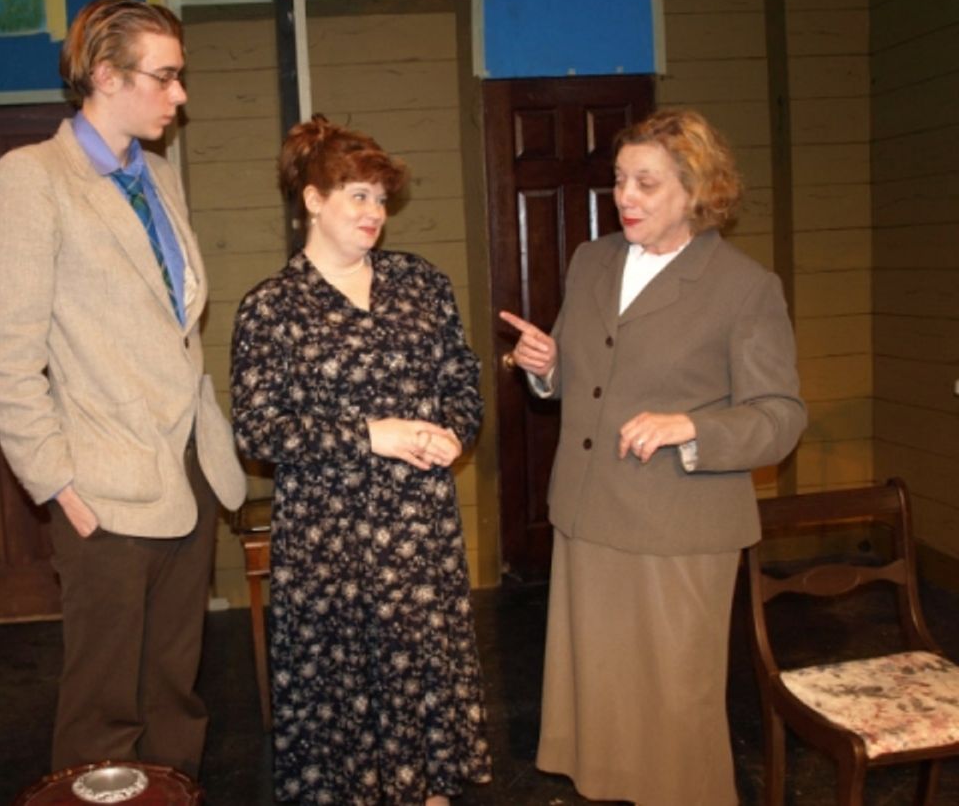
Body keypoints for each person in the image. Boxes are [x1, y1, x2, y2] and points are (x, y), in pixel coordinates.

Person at [0, 0, 245, 776]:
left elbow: (170, 324)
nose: (179, 95)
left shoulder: (159, 175)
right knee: (104, 702)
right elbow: (4, 356)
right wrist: (56, 480)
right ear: (104, 76)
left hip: (186, 466)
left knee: (173, 690)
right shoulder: (32, 179)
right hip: (101, 479)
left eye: (179, 77)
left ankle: (175, 794)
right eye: (164, 78)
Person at [500, 108, 806, 806]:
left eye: (646, 183)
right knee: (603, 700)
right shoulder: (593, 260)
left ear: (696, 191)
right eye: (619, 181)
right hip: (590, 515)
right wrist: (545, 367)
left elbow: (781, 418)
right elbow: (588, 379)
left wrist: (690, 427)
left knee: (674, 711)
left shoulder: (744, 288)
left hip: (679, 529)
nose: (625, 198)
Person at [230, 115, 492, 805]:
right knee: (343, 700)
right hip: (329, 543)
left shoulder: (421, 284)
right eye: (357, 195)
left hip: (417, 533)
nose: (374, 212)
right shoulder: (271, 308)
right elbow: (258, 429)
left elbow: (461, 381)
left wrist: (453, 433)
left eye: (380, 197)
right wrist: (368, 434)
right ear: (312, 200)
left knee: (420, 680)